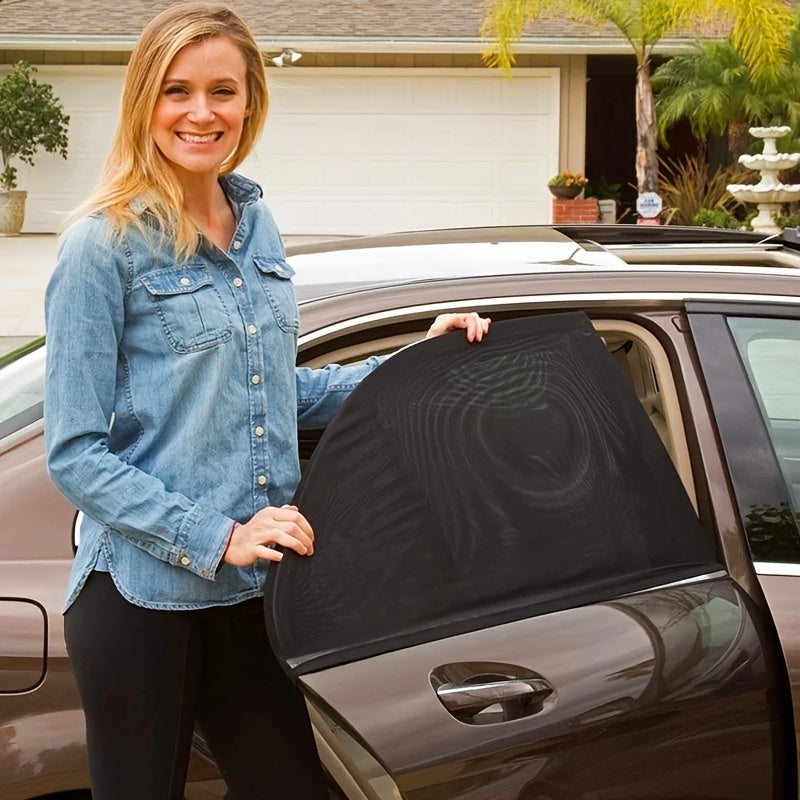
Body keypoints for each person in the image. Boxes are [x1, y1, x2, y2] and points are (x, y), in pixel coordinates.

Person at [43, 4, 490, 800]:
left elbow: (283, 394)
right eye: (178, 90)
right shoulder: (101, 245)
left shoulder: (257, 226)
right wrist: (220, 536)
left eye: (224, 90)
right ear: (145, 99)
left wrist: (417, 362)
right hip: (142, 597)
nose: (202, 112)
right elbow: (75, 454)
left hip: (252, 597)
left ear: (251, 103)